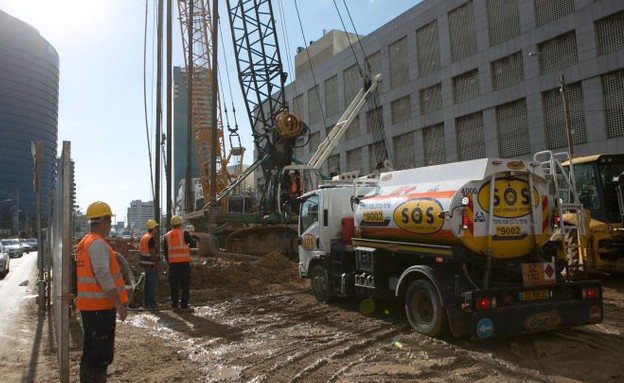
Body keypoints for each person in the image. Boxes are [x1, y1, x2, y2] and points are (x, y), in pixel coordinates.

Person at [75, 201, 128, 383]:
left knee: (90, 353)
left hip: (90, 308)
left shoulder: (84, 243)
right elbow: (103, 276)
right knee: (100, 356)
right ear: (104, 220)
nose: (110, 225)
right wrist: (118, 304)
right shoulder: (97, 244)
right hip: (100, 309)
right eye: (109, 221)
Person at [164, 215, 195, 311]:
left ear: (171, 224)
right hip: (184, 264)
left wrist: (169, 261)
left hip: (173, 265)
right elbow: (193, 243)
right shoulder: (184, 233)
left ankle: (175, 305)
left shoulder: (167, 236)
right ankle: (184, 305)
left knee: (174, 286)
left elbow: (165, 251)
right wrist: (191, 236)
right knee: (184, 285)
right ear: (180, 224)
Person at [139, 219, 160, 308]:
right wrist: (157, 264)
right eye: (156, 227)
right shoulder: (151, 238)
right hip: (150, 264)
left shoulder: (144, 237)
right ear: (153, 228)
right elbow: (152, 254)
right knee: (151, 285)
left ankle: (146, 302)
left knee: (147, 284)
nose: (157, 229)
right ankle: (150, 302)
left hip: (144, 264)